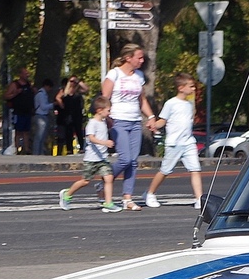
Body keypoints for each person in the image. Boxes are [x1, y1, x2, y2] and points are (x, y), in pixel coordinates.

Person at [102, 44, 158, 210]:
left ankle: (127, 198)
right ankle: (105, 180)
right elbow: (104, 98)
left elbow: (141, 100)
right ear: (128, 58)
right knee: (125, 159)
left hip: (135, 122)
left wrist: (151, 117)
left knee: (133, 162)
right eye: (139, 58)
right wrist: (107, 118)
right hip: (118, 120)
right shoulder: (114, 74)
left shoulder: (138, 76)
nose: (142, 61)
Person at [144, 74, 203, 208]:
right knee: (165, 171)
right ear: (181, 88)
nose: (193, 89)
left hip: (188, 142)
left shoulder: (189, 104)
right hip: (174, 143)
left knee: (195, 169)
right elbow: (162, 121)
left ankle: (199, 198)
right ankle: (150, 193)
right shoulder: (171, 103)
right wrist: (154, 125)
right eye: (191, 86)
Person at [58, 96, 121, 212]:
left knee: (109, 178)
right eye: (108, 110)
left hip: (102, 159)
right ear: (99, 110)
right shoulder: (92, 123)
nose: (109, 113)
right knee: (85, 181)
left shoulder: (103, 122)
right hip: (91, 159)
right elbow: (91, 138)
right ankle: (67, 194)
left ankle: (108, 202)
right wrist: (105, 143)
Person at [4, 67, 36, 153]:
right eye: (25, 74)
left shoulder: (29, 85)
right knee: (18, 131)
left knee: (26, 131)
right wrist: (16, 93)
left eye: (27, 74)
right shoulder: (15, 85)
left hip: (28, 111)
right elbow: (6, 96)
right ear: (21, 75)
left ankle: (26, 149)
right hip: (18, 111)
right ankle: (16, 148)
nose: (27, 75)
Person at [54, 75, 88, 155]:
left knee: (78, 130)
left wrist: (79, 82)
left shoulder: (78, 90)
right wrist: (62, 105)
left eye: (74, 82)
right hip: (68, 113)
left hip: (77, 113)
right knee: (68, 131)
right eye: (71, 81)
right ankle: (69, 149)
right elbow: (57, 97)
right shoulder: (64, 91)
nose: (73, 83)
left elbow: (86, 89)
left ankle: (81, 148)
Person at [33, 78, 56, 154]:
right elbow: (43, 106)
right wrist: (53, 104)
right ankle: (36, 153)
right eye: (49, 87)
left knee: (42, 137)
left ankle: (39, 152)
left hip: (43, 116)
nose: (50, 89)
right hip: (40, 116)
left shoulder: (43, 94)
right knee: (39, 137)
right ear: (46, 86)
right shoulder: (41, 94)